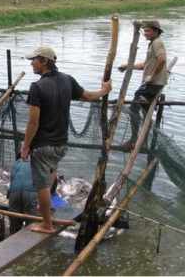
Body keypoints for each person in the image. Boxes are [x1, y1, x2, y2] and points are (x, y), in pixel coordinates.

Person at [21, 45, 112, 234]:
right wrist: (104, 91)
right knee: (51, 170)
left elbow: (33, 122)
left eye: (35, 59)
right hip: (61, 144)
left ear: (45, 61)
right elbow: (87, 96)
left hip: (42, 145)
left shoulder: (37, 87)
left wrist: (25, 147)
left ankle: (47, 224)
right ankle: (46, 203)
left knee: (41, 184)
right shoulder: (67, 80)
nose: (32, 63)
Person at [118, 20, 167, 150]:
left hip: (152, 84)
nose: (145, 33)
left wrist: (153, 76)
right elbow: (145, 65)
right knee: (145, 112)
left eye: (148, 31)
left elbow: (162, 59)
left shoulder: (157, 43)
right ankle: (143, 142)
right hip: (152, 83)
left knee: (133, 108)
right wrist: (128, 66)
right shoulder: (152, 44)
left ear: (156, 31)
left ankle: (135, 138)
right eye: (144, 31)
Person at [7, 153, 64, 235]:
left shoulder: (18, 163)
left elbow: (12, 182)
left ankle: (11, 243)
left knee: (14, 225)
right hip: (34, 193)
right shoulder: (45, 161)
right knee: (33, 227)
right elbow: (51, 184)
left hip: (14, 193)